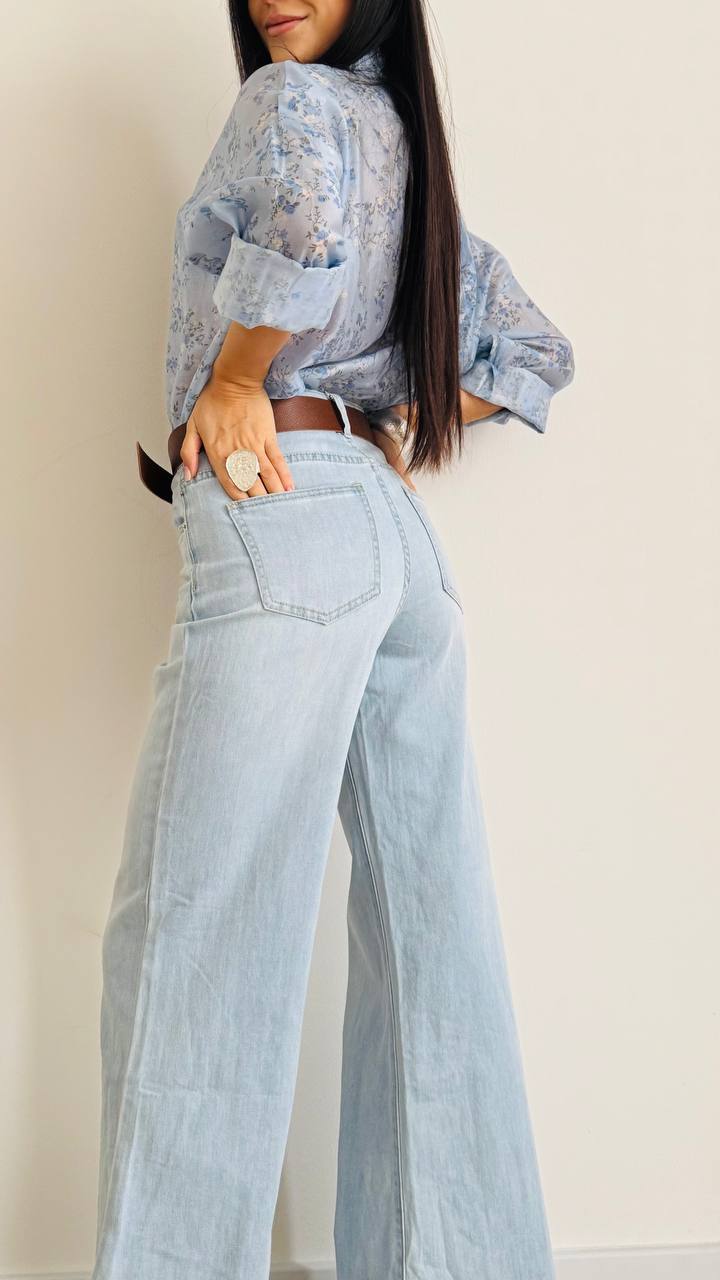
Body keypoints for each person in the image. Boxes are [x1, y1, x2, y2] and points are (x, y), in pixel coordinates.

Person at [92, 1, 575, 1278]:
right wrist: (383, 425)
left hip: (281, 515)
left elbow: (303, 230)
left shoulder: (289, 104)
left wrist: (239, 376)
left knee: (198, 926)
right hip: (393, 542)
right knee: (431, 931)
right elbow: (534, 349)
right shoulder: (407, 149)